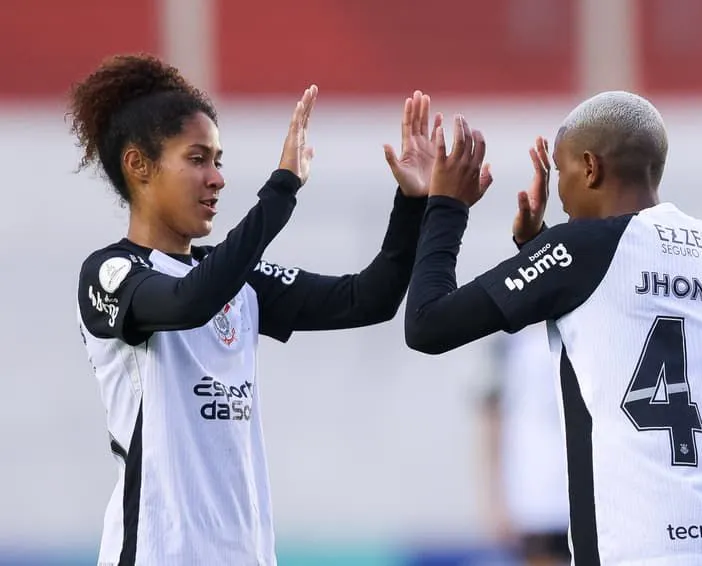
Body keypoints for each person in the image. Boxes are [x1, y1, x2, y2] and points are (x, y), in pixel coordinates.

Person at [403, 94, 702, 566]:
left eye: (560, 172)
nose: (557, 194)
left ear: (591, 168)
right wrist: (535, 249)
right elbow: (618, 308)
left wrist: (445, 206)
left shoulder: (581, 251)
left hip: (647, 546)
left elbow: (427, 325)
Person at [72, 54, 440, 565]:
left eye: (218, 160)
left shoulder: (235, 280)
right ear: (139, 165)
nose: (217, 178)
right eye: (197, 159)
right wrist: (282, 188)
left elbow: (369, 299)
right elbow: (188, 301)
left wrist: (412, 201)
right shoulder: (112, 273)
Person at [479, 324, 571, 566]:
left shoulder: (585, 324)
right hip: (532, 495)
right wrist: (495, 499)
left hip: (584, 486)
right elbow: (492, 420)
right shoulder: (507, 342)